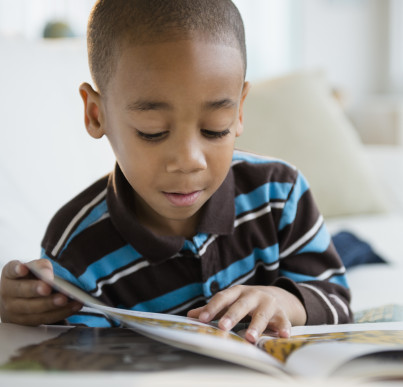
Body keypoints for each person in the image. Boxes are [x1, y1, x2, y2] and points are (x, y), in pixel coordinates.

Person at [0, 0, 352, 343]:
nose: (189, 160)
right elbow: (77, 362)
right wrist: (28, 310)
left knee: (353, 250)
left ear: (240, 111)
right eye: (152, 131)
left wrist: (284, 302)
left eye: (215, 128)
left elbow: (336, 302)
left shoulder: (280, 192)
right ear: (96, 114)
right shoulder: (77, 253)